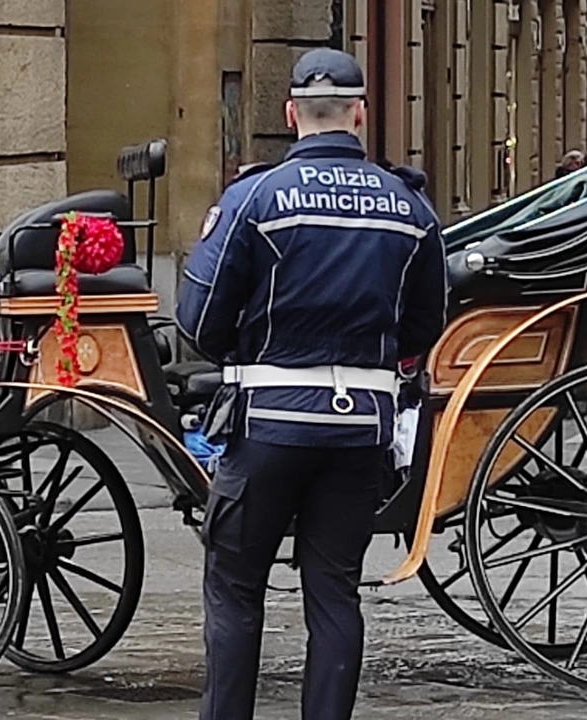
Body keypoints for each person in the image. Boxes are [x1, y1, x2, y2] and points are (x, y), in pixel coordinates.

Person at [175, 48, 449, 720]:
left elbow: (199, 319)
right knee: (334, 591)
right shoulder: (409, 206)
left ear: (290, 112)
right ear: (360, 113)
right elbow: (425, 324)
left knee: (236, 588)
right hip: (360, 432)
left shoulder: (255, 197)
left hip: (267, 423)